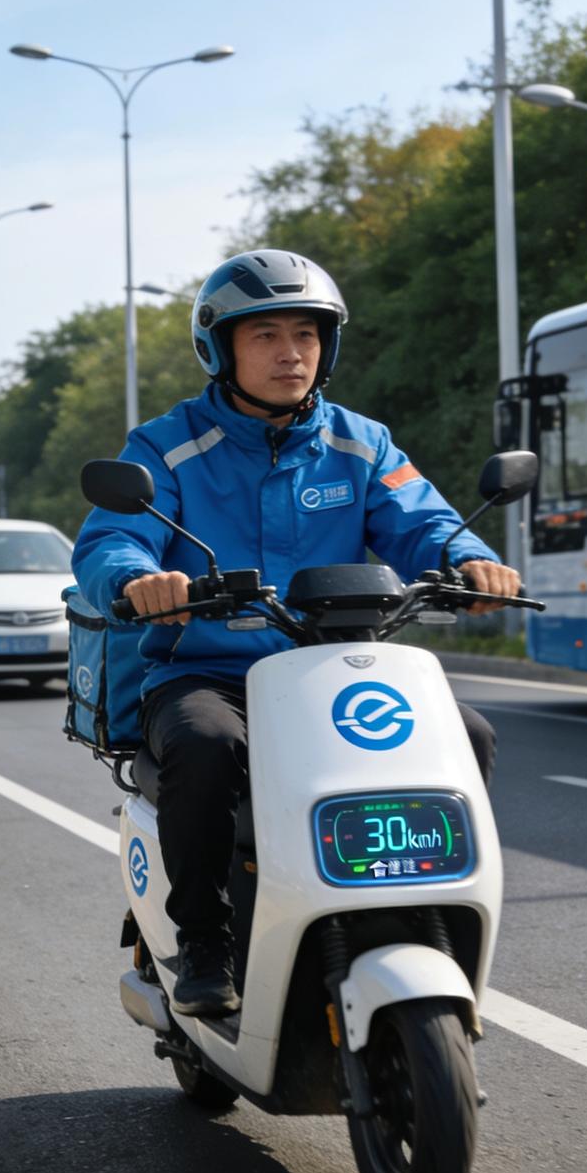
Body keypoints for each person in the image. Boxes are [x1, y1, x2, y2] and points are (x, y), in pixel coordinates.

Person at [72, 250, 521, 1018]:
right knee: (206, 745)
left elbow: (426, 524)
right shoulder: (165, 445)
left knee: (464, 735)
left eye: (307, 335)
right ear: (221, 350)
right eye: (266, 336)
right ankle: (206, 937)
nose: (290, 353)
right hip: (207, 673)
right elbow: (111, 540)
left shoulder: (362, 442)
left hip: (334, 672)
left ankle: (427, 912)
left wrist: (471, 561)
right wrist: (136, 582)